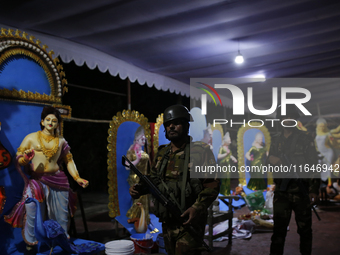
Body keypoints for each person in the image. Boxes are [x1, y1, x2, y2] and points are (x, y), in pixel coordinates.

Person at [129, 105, 220, 255]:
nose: (171, 126)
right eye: (168, 124)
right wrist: (139, 189)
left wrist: (197, 207)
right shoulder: (162, 153)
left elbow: (212, 184)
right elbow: (154, 181)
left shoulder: (201, 151)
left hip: (189, 223)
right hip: (167, 222)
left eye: (176, 123)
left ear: (186, 125)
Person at [4, 106, 88, 251]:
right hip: (37, 180)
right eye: (48, 119)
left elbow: (69, 160)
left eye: (54, 121)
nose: (50, 123)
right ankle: (31, 243)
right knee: (32, 207)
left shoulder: (61, 141)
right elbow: (18, 159)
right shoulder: (31, 138)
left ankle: (61, 242)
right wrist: (25, 159)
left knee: (61, 215)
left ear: (57, 124)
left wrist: (77, 177)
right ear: (42, 122)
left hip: (59, 180)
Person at [267, 105, 320, 255]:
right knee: (278, 232)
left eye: (291, 116)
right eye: (285, 117)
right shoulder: (276, 139)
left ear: (295, 119)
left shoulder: (305, 138)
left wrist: (314, 190)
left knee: (305, 232)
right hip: (282, 193)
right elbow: (268, 161)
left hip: (301, 192)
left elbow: (314, 166)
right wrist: (273, 160)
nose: (287, 119)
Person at [125, 126, 150, 232]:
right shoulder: (131, 151)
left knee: (144, 199)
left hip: (144, 177)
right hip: (135, 178)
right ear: (136, 139)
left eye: (144, 139)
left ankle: (144, 221)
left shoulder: (142, 150)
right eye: (142, 139)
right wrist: (137, 159)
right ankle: (135, 220)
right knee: (137, 200)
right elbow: (127, 166)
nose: (143, 141)